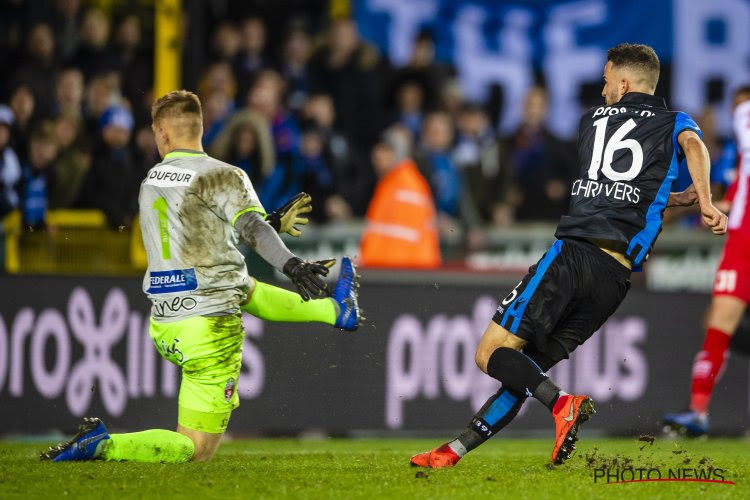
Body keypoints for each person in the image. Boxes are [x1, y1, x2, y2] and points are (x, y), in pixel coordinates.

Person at [410, 43, 727, 468]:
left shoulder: (592, 121)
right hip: (614, 281)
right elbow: (689, 148)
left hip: (574, 254)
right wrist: (699, 200)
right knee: (525, 372)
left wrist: (693, 200)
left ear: (624, 82)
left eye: (606, 79)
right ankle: (454, 452)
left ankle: (562, 405)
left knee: (490, 355)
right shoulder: (674, 121)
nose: (602, 90)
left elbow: (609, 184)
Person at [41, 89, 360, 463]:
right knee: (196, 451)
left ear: (161, 134)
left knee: (243, 286)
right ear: (202, 129)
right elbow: (250, 228)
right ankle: (104, 444)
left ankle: (337, 311)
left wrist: (269, 222)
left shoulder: (152, 180)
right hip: (208, 329)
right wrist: (289, 262)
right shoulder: (222, 175)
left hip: (166, 320)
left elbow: (208, 231)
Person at [663, 85, 750, 436]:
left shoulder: (744, 120)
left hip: (742, 240)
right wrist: (718, 206)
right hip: (742, 240)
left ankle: (698, 412)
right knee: (717, 326)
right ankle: (697, 412)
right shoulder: (741, 144)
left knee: (719, 327)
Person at [359, 127, 441, 269]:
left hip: (402, 275)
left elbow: (400, 240)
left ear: (397, 153)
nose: (376, 155)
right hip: (392, 272)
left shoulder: (406, 186)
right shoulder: (391, 184)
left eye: (385, 150)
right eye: (377, 149)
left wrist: (372, 272)